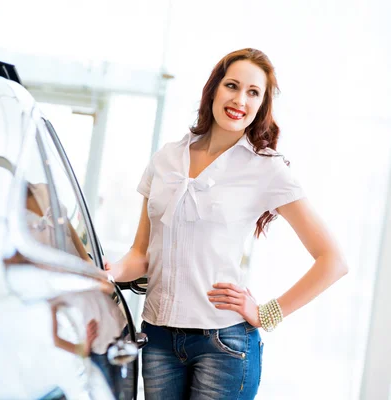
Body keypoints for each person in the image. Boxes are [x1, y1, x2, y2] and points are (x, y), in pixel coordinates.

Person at [104, 48, 348, 400]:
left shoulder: (266, 168)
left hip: (224, 344)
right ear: (214, 89)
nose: (239, 100)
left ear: (262, 105)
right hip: (156, 338)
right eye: (232, 85)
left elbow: (333, 260)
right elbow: (140, 256)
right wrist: (107, 271)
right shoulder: (167, 157)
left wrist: (267, 313)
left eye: (253, 92)